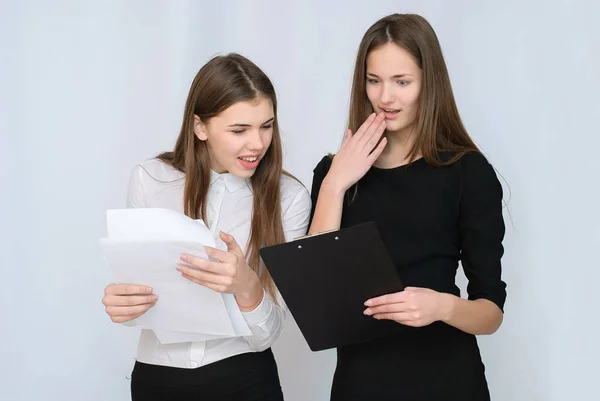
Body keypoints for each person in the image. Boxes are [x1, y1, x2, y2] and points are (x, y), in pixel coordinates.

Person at [309, 13, 507, 401]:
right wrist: (334, 185)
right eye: (374, 80)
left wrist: (442, 307)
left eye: (402, 82)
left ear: (428, 83)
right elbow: (316, 293)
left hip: (447, 378)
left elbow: (491, 313)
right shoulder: (334, 174)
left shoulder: (467, 172)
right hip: (360, 382)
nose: (385, 97)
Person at [101, 53, 311, 401]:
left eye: (266, 125)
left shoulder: (289, 197)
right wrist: (122, 306)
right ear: (200, 127)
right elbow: (139, 301)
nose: (257, 143)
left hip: (244, 379)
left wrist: (247, 286)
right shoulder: (151, 179)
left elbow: (267, 334)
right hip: (157, 379)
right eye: (239, 130)